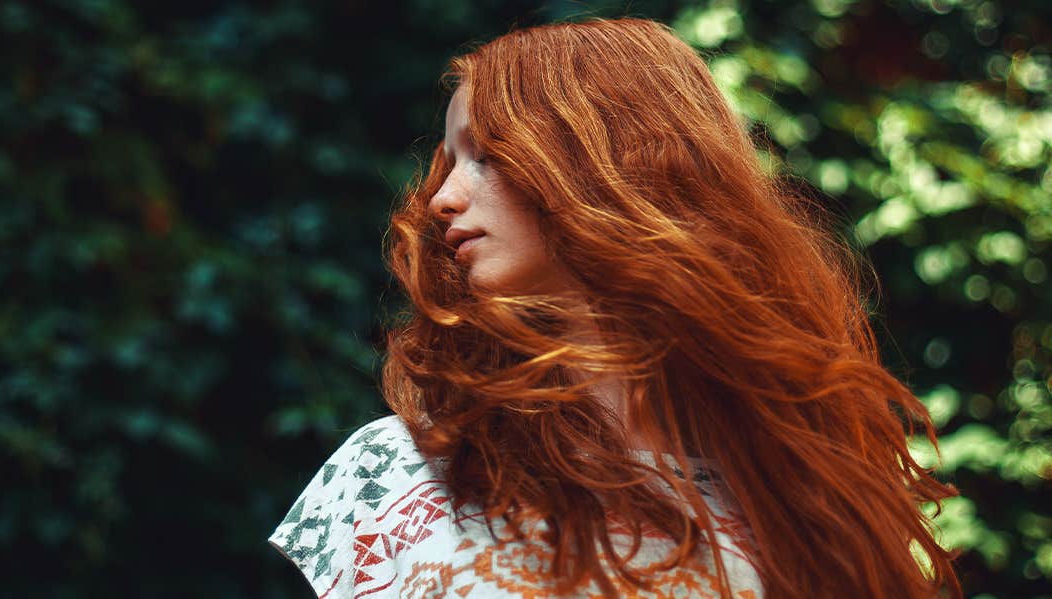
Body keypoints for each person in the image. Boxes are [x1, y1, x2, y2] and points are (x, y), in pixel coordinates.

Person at [270, 17, 962, 599]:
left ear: (603, 163)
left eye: (484, 155)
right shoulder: (397, 473)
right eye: (450, 160)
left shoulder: (801, 504)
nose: (443, 197)